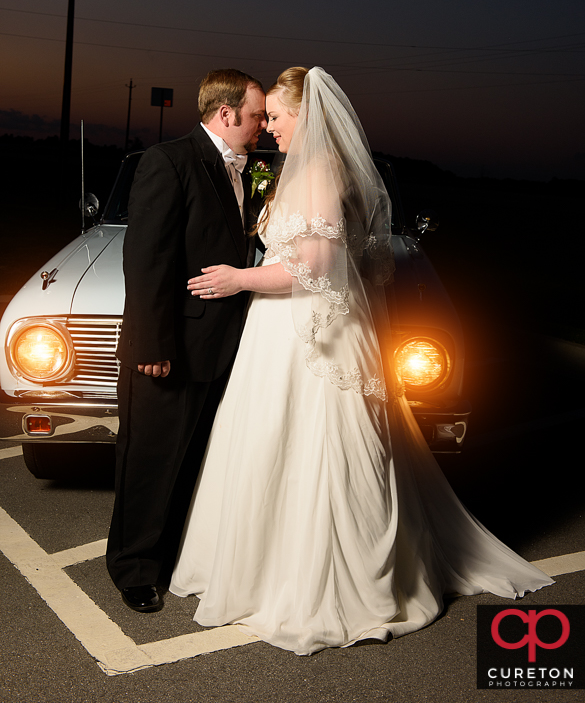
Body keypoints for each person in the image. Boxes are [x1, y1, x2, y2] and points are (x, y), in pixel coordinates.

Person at [169, 66, 553, 653]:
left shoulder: (319, 172)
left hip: (309, 337)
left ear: (306, 114)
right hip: (282, 330)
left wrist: (238, 278)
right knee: (273, 444)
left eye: (275, 115)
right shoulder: (310, 170)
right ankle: (268, 568)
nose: (268, 126)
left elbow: (317, 265)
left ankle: (325, 583)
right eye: (264, 116)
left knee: (316, 449)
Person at [106, 68, 267, 613]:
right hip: (167, 349)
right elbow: (147, 261)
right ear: (227, 114)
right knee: (148, 460)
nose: (263, 125)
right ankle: (132, 568)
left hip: (216, 347)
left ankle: (170, 555)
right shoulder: (168, 161)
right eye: (256, 115)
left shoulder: (244, 169)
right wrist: (151, 346)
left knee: (189, 457)